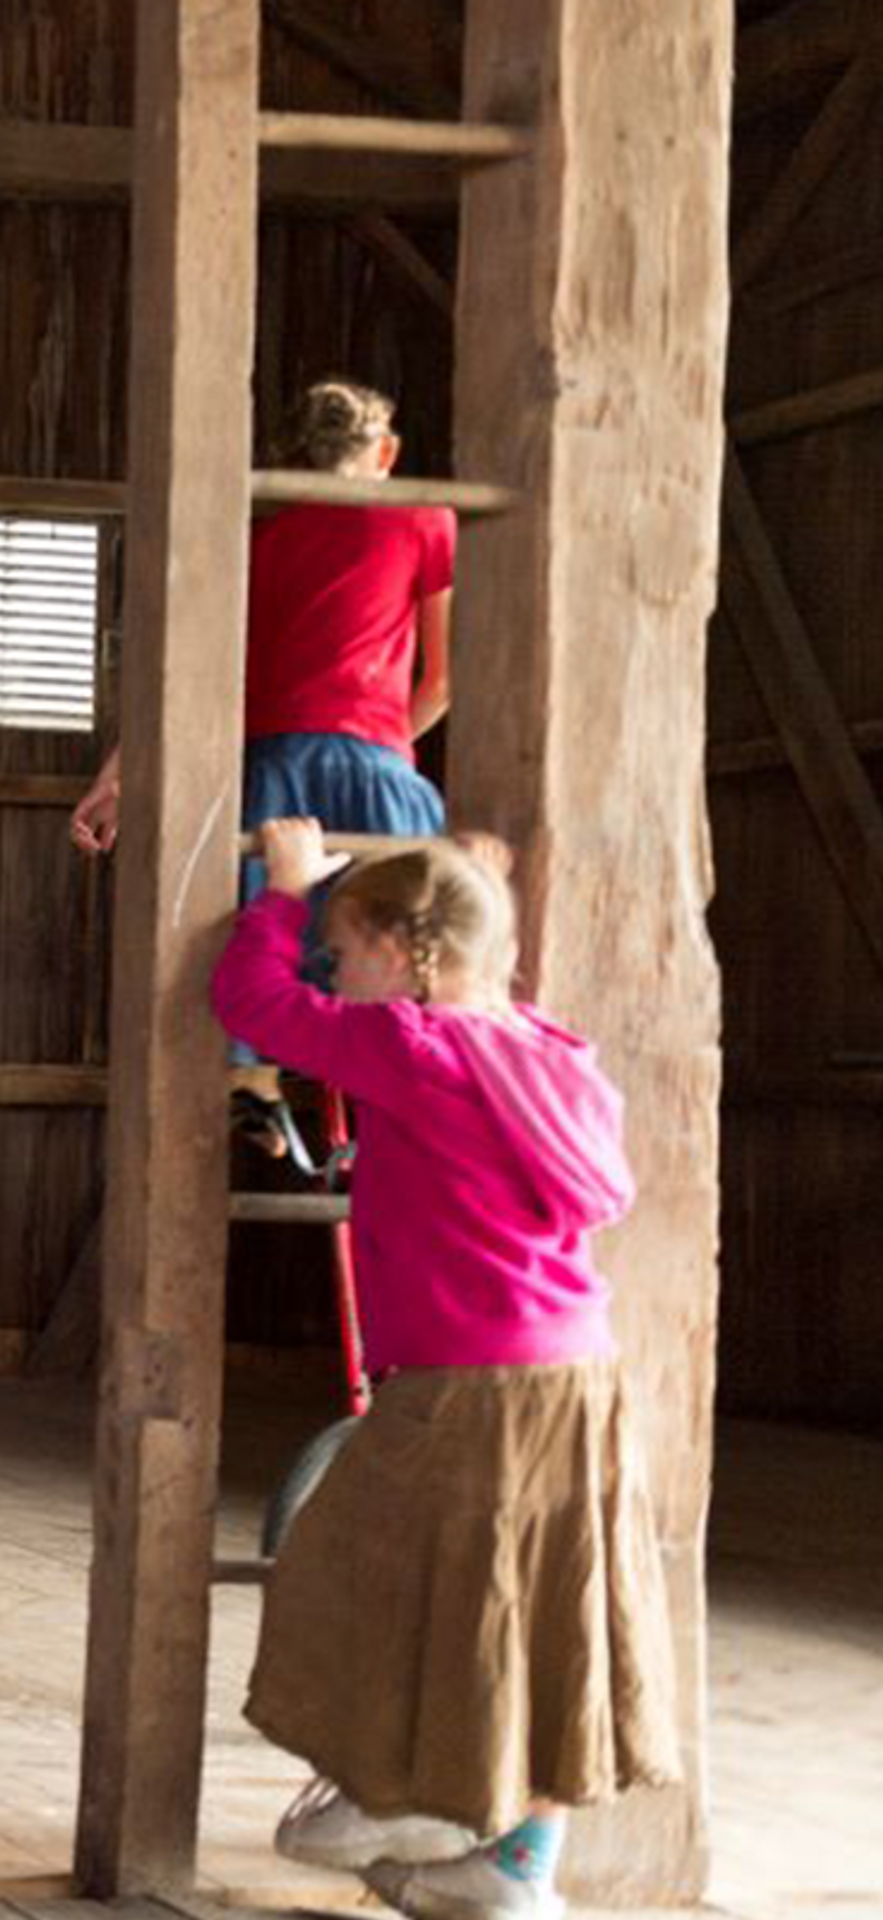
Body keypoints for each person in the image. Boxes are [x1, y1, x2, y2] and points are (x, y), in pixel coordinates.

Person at [213, 818, 678, 1920]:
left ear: (409, 957)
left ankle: (400, 1796)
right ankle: (516, 1869)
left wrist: (284, 896)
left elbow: (258, 1008)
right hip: (577, 1379)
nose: (335, 967)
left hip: (470, 1380)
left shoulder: (415, 1050)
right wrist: (464, 877)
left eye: (350, 948)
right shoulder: (541, 1053)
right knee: (543, 1614)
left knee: (347, 1559)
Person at [72, 378, 455, 874]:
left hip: (268, 769)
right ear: (386, 451)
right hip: (375, 764)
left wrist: (116, 775)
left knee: (271, 933)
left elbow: (188, 671)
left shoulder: (251, 533)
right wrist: (380, 742)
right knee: (396, 938)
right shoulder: (424, 519)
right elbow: (443, 681)